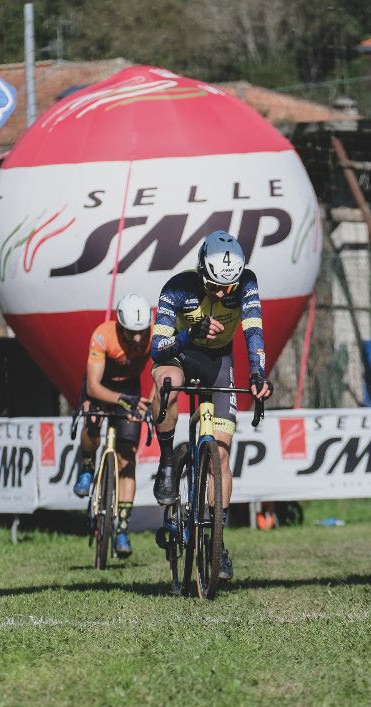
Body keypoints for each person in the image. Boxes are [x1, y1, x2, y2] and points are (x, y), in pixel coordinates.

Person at [149, 230, 273, 583]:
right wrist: (192, 332)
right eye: (215, 286)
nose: (222, 294)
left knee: (220, 454)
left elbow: (253, 330)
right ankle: (168, 461)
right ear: (201, 272)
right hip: (180, 354)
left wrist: (258, 373)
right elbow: (158, 348)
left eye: (228, 288)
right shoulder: (177, 288)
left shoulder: (245, 283)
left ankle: (218, 540)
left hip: (219, 361)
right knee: (168, 384)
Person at [72, 293, 154, 558]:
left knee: (127, 456)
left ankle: (122, 526)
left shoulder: (155, 335)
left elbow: (161, 372)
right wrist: (123, 401)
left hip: (130, 390)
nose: (139, 339)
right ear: (120, 326)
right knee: (92, 422)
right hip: (101, 387)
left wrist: (147, 404)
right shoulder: (103, 335)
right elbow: (93, 386)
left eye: (142, 332)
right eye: (132, 332)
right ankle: (86, 466)